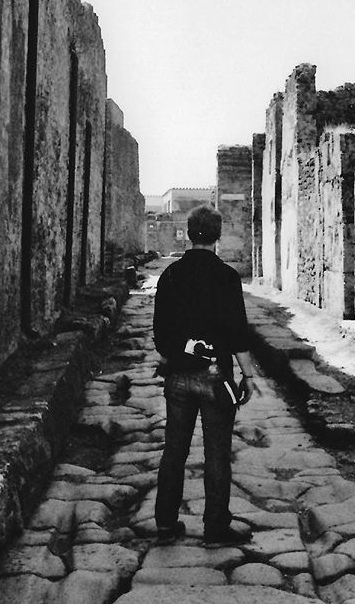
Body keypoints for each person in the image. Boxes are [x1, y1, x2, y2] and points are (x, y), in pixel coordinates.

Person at [153, 205, 260, 546]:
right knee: (217, 453)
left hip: (179, 380)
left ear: (187, 233)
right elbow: (237, 333)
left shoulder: (170, 276)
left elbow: (160, 336)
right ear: (218, 236)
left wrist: (183, 352)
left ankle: (166, 524)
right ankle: (215, 529)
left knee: (174, 451)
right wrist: (249, 376)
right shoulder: (227, 278)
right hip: (217, 379)